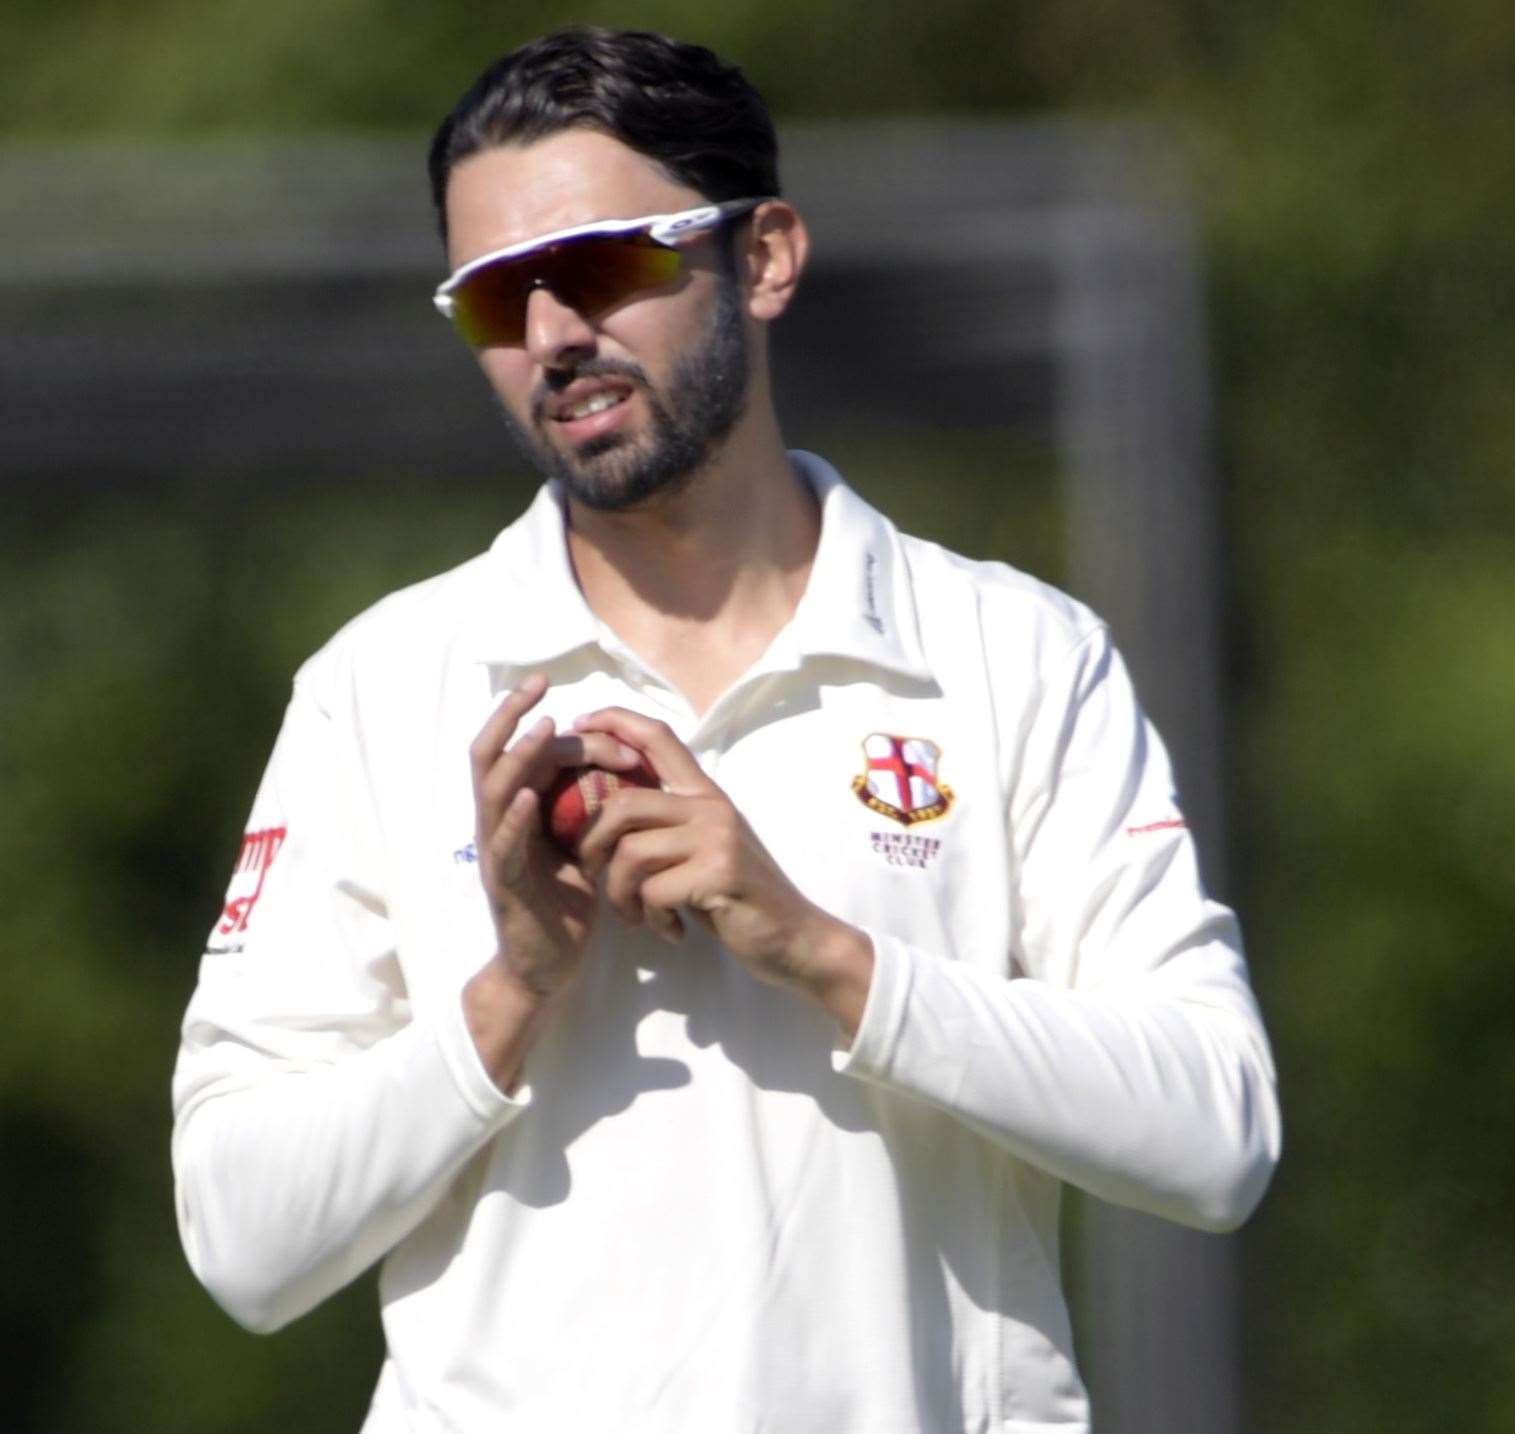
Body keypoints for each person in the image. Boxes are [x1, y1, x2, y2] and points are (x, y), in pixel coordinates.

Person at [171, 26, 1280, 1433]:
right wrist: (507, 990)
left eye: (606, 265)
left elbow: (1215, 1132)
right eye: (494, 300)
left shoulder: (1013, 652)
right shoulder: (382, 683)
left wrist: (820, 948)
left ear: (762, 257)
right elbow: (239, 1237)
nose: (553, 334)